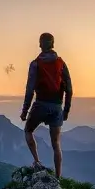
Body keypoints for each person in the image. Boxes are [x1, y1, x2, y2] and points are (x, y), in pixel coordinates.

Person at [20, 32, 73, 178]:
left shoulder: (35, 64)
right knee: (56, 143)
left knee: (28, 131)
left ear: (40, 44)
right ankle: (58, 177)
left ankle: (37, 161)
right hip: (57, 106)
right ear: (53, 44)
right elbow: (69, 89)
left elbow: (30, 89)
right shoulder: (61, 63)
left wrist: (25, 111)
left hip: (40, 104)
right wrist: (66, 110)